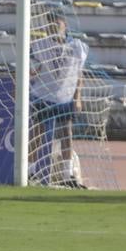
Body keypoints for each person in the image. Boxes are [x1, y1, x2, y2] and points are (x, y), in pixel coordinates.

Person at [29, 10, 88, 188]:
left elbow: (80, 75)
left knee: (66, 134)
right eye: (49, 25)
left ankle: (66, 174)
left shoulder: (78, 47)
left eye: (56, 24)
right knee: (36, 134)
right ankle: (30, 172)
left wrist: (78, 98)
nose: (52, 28)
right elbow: (33, 70)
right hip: (43, 95)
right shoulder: (39, 45)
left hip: (65, 97)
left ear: (65, 25)